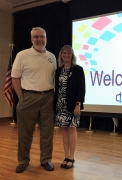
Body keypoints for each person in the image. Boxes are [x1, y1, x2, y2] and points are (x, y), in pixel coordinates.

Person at [11, 27, 56, 173]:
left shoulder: (52, 57)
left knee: (47, 132)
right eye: (36, 37)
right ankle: (23, 161)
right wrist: (21, 97)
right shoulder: (22, 55)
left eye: (42, 36)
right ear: (31, 39)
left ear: (46, 39)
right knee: (25, 133)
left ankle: (46, 160)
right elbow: (15, 77)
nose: (39, 39)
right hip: (28, 97)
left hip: (48, 97)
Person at [54, 45, 85, 169]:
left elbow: (81, 88)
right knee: (64, 130)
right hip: (60, 105)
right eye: (64, 53)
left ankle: (71, 157)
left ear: (72, 55)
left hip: (73, 105)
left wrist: (78, 104)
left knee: (72, 129)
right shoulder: (58, 70)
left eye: (69, 53)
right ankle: (66, 156)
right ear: (61, 55)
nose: (66, 55)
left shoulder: (78, 69)